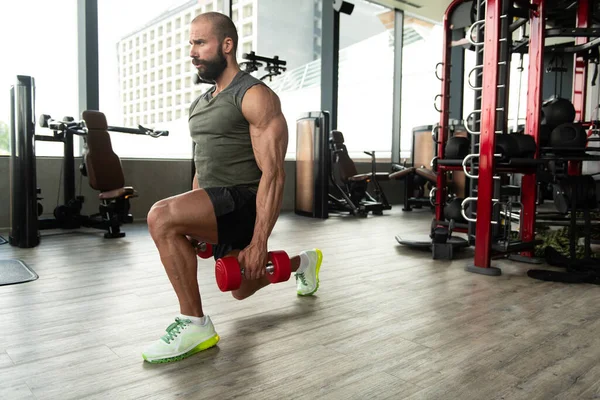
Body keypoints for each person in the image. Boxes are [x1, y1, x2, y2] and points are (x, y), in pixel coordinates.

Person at [141, 12, 323, 364]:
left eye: (200, 42)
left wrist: (259, 241)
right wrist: (193, 220)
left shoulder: (254, 95)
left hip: (243, 200)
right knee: (239, 285)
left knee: (160, 216)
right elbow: (201, 166)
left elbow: (273, 175)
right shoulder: (199, 104)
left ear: (227, 45)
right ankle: (304, 263)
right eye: (190, 43)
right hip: (215, 201)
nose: (192, 51)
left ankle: (194, 323)